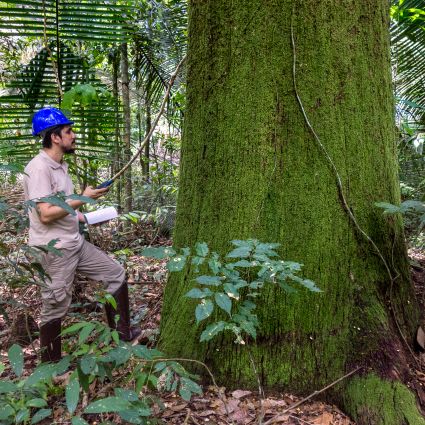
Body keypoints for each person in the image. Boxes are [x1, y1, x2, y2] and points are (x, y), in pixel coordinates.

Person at [23, 107, 141, 363]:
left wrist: (86, 216)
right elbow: (44, 213)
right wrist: (82, 198)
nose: (73, 135)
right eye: (69, 131)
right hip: (54, 250)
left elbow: (62, 207)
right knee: (55, 305)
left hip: (75, 243)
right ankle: (50, 366)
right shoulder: (39, 168)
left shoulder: (60, 166)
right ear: (55, 137)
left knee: (115, 275)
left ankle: (121, 335)